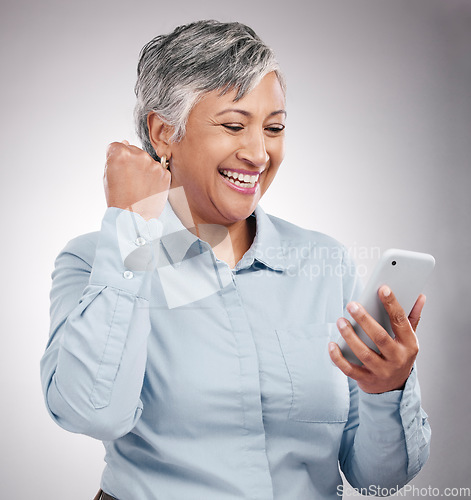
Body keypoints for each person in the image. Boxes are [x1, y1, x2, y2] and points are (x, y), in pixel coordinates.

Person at [40, 20, 431, 500]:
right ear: (163, 133)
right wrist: (131, 228)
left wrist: (386, 389)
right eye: (233, 125)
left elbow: (379, 479)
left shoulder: (324, 263)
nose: (258, 152)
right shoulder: (95, 260)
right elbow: (91, 411)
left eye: (274, 128)